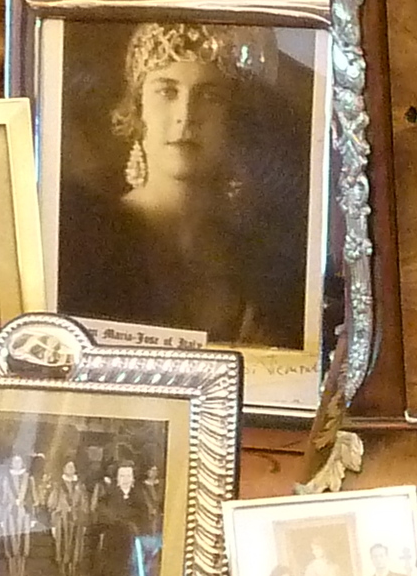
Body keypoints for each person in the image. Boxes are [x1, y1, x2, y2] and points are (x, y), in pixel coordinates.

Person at [65, 22, 312, 350]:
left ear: (234, 121)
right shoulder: (86, 241)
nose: (186, 115)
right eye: (166, 92)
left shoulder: (261, 260)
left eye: (210, 96)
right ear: (138, 112)